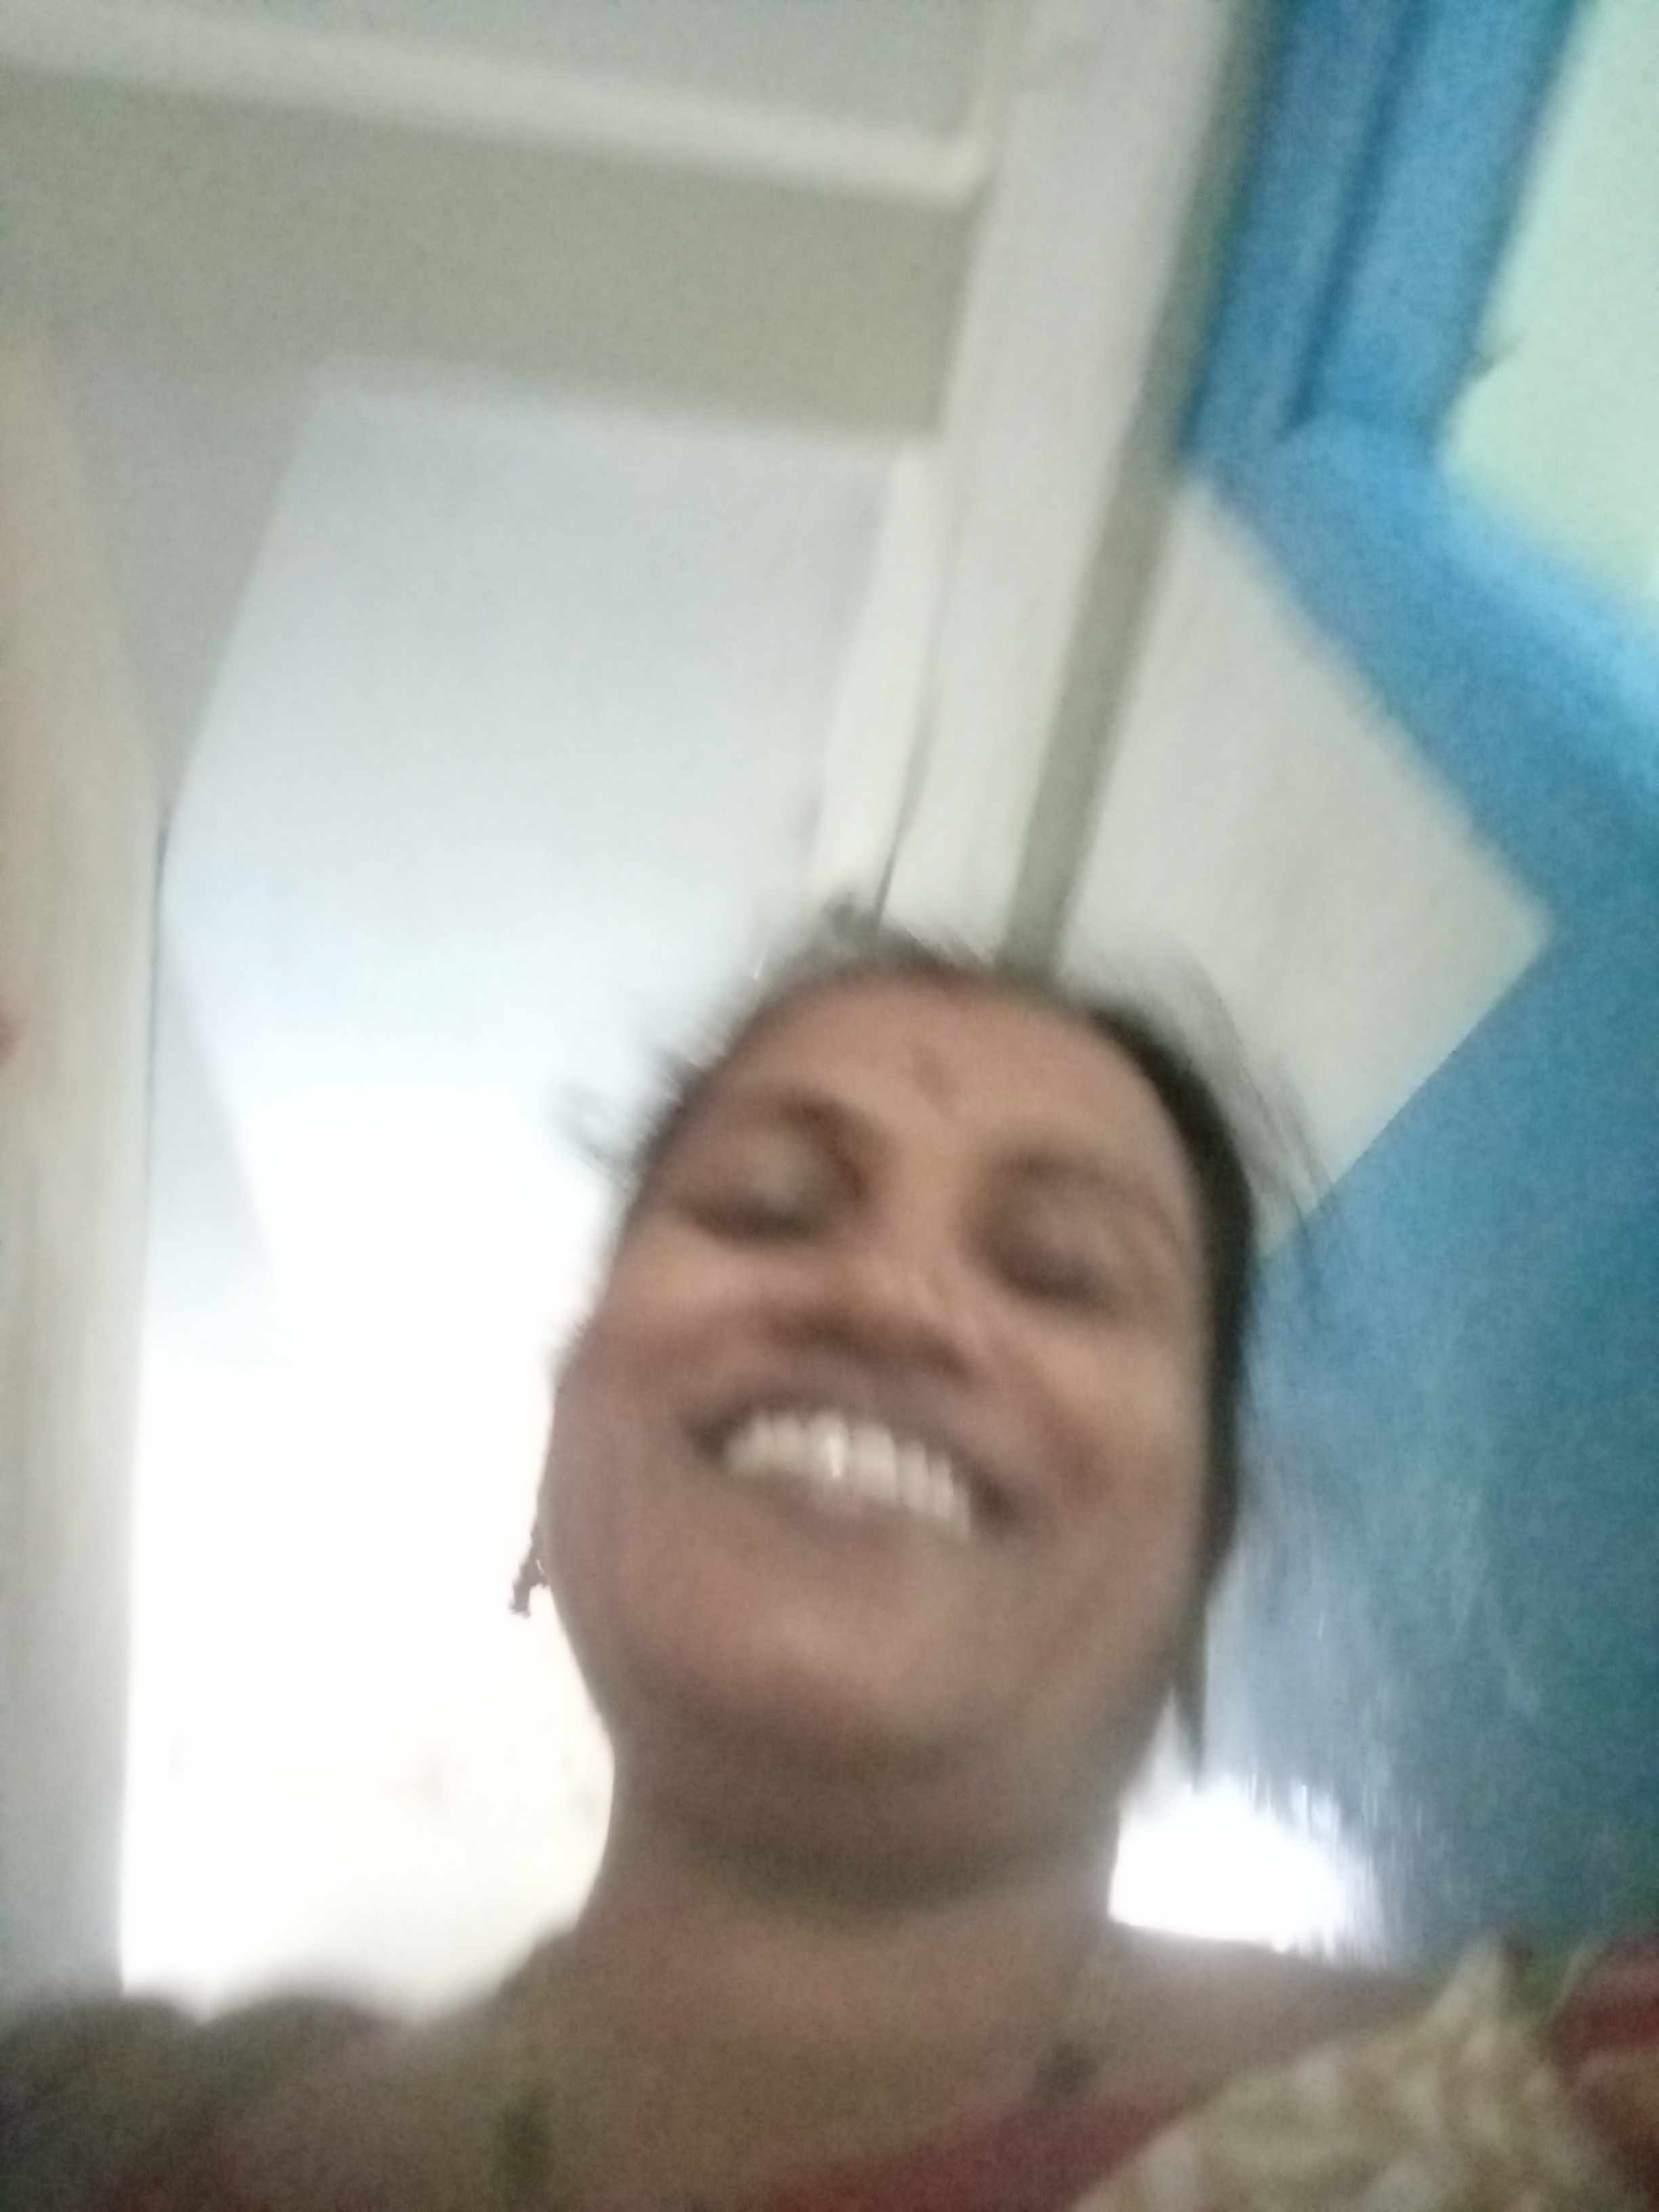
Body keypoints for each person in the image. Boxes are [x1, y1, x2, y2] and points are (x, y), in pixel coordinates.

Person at [3, 920, 1656, 2211]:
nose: (887, 1300)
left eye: (1061, 1273)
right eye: (768, 1208)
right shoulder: (89, 2131)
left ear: (1208, 1551)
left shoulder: (1575, 2117)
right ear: (576, 1420)